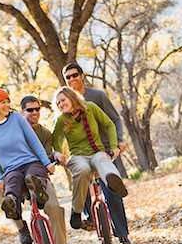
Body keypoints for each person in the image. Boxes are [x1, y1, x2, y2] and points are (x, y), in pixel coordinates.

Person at [0, 91, 74, 244]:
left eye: (8, 101)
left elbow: (34, 141)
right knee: (10, 190)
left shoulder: (16, 118)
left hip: (32, 163)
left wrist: (47, 163)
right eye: (3, 102)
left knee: (52, 204)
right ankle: (20, 223)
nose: (8, 105)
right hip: (10, 171)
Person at [62, 62, 131, 244]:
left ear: (82, 75)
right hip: (82, 153)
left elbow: (114, 120)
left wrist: (119, 142)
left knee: (111, 191)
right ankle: (88, 216)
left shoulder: (96, 96)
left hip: (105, 150)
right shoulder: (64, 104)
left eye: (74, 75)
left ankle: (122, 234)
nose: (71, 79)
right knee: (80, 176)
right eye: (67, 77)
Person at [52, 86, 128, 233]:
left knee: (102, 160)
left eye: (62, 100)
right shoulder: (61, 119)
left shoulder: (91, 108)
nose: (61, 105)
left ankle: (114, 182)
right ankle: (77, 211)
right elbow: (55, 140)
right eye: (58, 103)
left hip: (97, 152)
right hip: (78, 156)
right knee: (83, 169)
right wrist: (59, 154)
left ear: (71, 97)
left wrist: (114, 147)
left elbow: (109, 124)